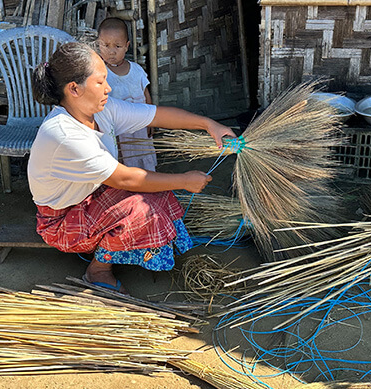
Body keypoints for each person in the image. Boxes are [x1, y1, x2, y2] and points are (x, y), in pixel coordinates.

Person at [29, 42, 235, 293]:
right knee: (143, 209)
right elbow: (126, 179)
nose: (108, 88)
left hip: (89, 196)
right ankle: (98, 270)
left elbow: (155, 115)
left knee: (159, 191)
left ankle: (129, 247)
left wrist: (207, 124)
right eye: (100, 82)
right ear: (74, 89)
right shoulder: (64, 135)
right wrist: (184, 180)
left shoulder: (99, 110)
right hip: (61, 222)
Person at [96, 17, 157, 171]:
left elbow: (146, 95)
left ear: (126, 46)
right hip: (119, 130)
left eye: (117, 46)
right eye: (106, 45)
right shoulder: (101, 74)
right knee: (124, 160)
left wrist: (151, 121)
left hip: (140, 127)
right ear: (98, 45)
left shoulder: (136, 70)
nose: (111, 51)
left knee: (143, 155)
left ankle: (149, 183)